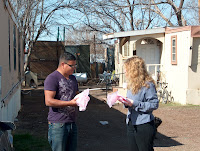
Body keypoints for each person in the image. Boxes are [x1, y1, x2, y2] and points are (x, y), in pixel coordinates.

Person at [119, 56, 159, 151]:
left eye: (127, 69)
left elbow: (154, 104)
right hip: (131, 123)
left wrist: (134, 103)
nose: (125, 72)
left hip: (144, 124)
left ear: (135, 70)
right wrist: (125, 102)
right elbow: (130, 102)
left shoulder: (148, 85)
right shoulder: (131, 85)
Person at [44, 52, 79, 151]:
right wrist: (70, 103)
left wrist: (82, 98)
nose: (74, 68)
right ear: (63, 64)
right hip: (58, 124)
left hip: (72, 122)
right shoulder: (52, 78)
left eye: (75, 65)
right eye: (71, 66)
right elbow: (49, 101)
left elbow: (76, 94)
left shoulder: (73, 78)